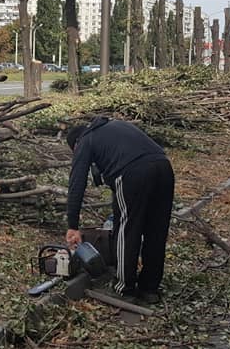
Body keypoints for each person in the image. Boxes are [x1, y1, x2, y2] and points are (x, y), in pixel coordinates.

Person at [65, 116, 175, 304]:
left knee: (127, 229)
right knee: (156, 230)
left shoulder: (85, 140)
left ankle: (124, 288)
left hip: (133, 173)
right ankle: (150, 289)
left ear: (76, 144)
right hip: (164, 168)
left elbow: (77, 183)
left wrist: (72, 225)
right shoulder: (115, 126)